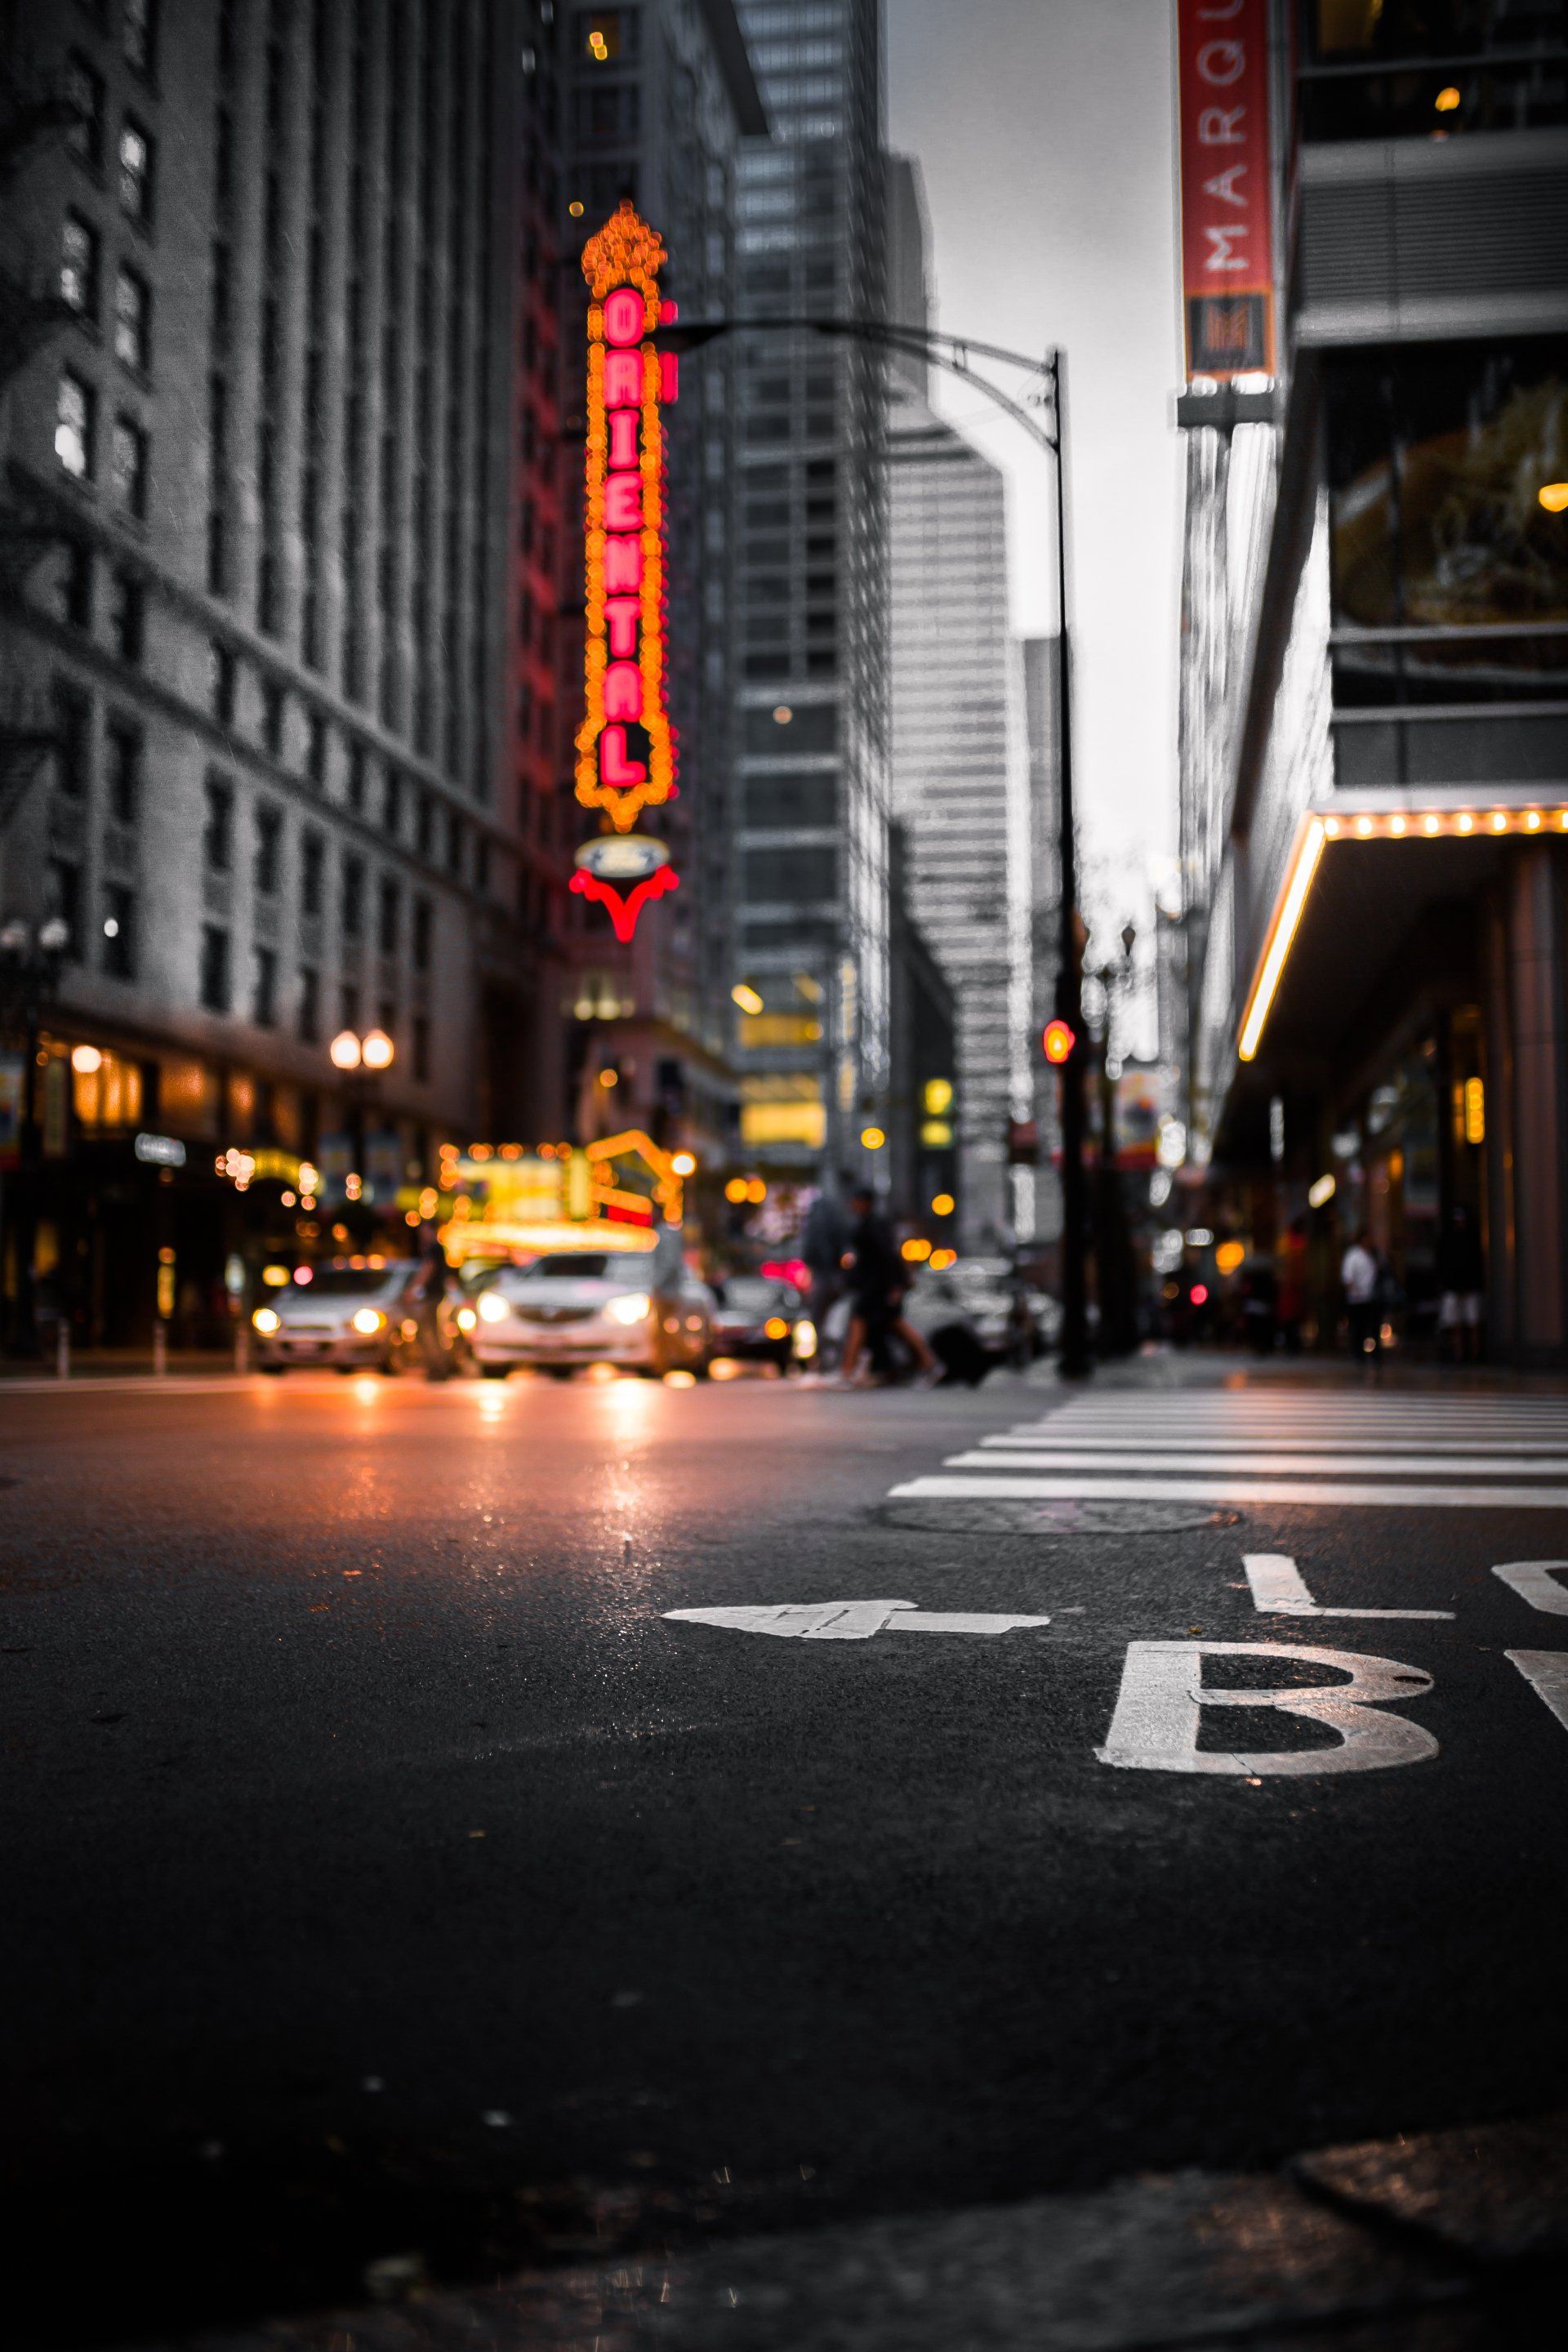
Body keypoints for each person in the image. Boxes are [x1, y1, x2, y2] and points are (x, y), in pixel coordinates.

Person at [838, 1187, 939, 1388]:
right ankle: (928, 1363)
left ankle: (848, 1371)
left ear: (865, 1202)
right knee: (893, 1324)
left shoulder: (873, 1226)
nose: (852, 1205)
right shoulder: (869, 1224)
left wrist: (894, 1286)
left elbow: (887, 1257)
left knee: (863, 1323)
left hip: (877, 1287)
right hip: (877, 1286)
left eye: (856, 1201)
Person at [800, 1173, 852, 1374]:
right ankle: (834, 1359)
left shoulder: (817, 1219)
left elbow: (810, 1251)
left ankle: (825, 1360)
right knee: (838, 1319)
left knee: (820, 1318)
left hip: (823, 1277)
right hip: (836, 1277)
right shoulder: (839, 1220)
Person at [1437, 1203, 1484, 1364]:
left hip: (1470, 1287)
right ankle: (1459, 1354)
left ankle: (1474, 1354)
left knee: (1473, 1322)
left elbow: (1477, 1264)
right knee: (1455, 1323)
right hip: (1453, 1287)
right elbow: (1442, 1263)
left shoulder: (1472, 1240)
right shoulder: (1448, 1240)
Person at [1340, 1228, 1381, 1374]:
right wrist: (1355, 1291)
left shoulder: (1372, 1255)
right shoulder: (1353, 1255)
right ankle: (1358, 1354)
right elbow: (1347, 1277)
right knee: (1358, 1328)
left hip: (1372, 1298)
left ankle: (1375, 1355)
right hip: (1357, 1299)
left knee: (1373, 1328)